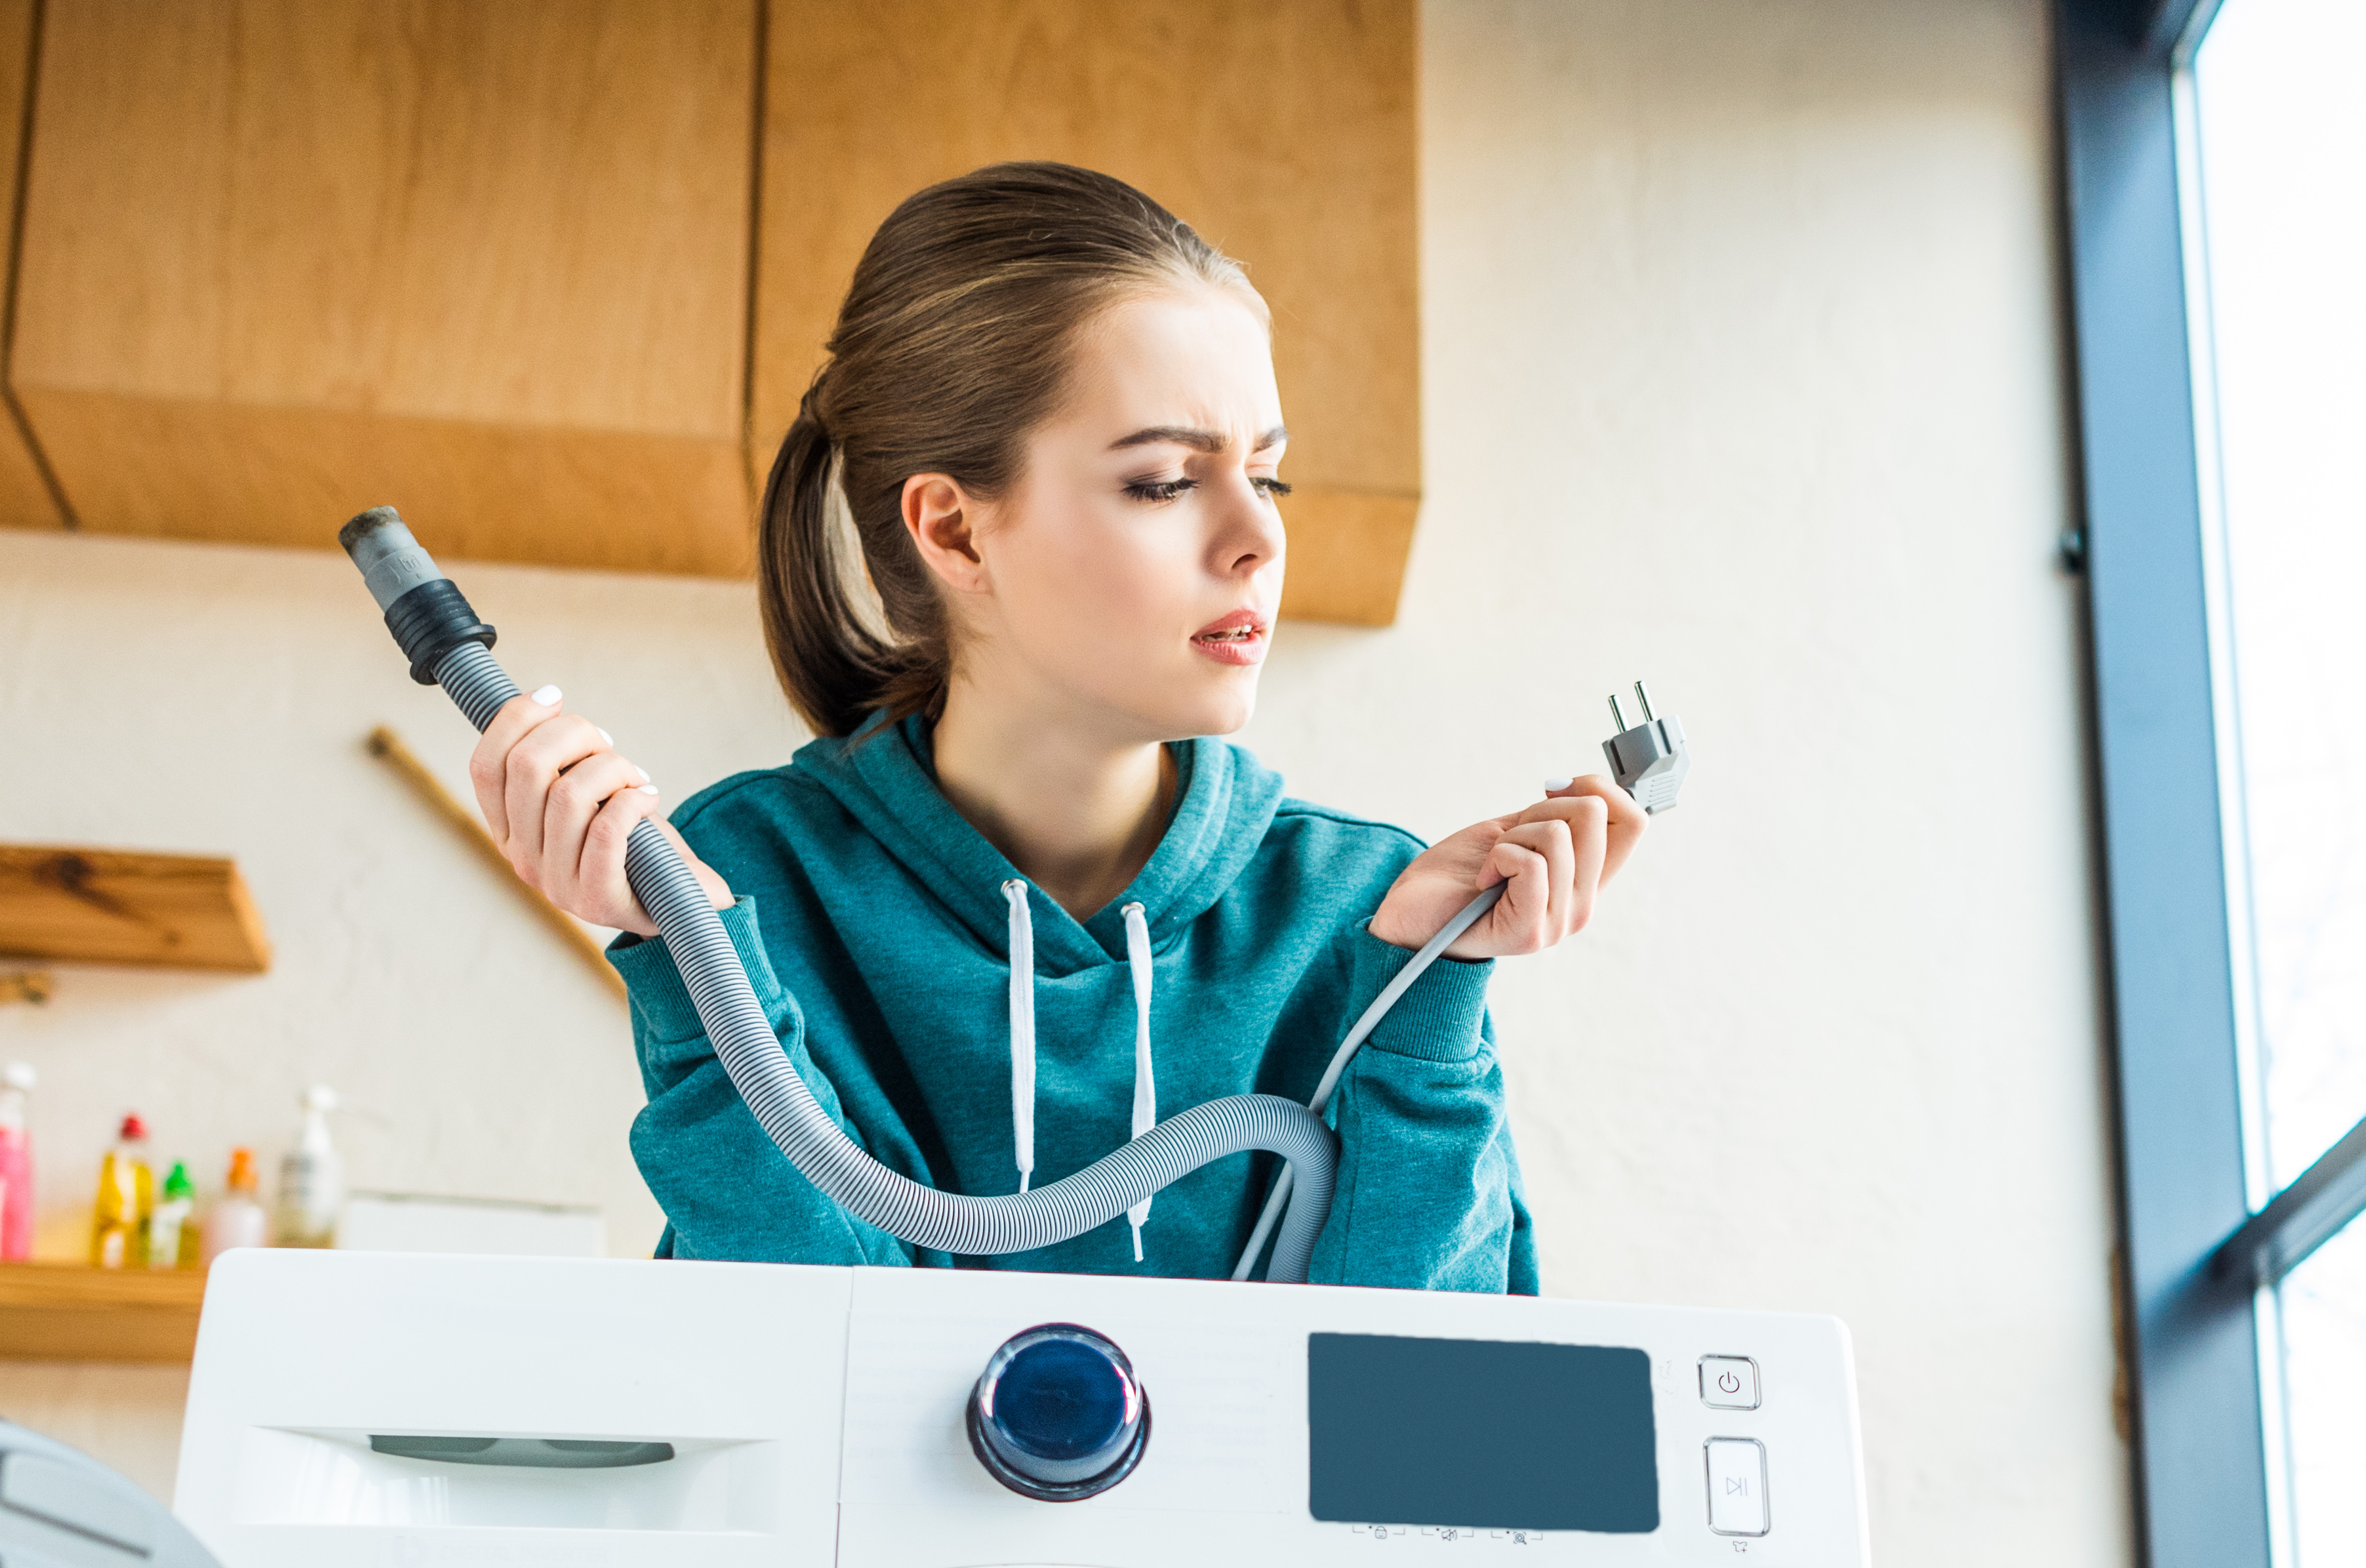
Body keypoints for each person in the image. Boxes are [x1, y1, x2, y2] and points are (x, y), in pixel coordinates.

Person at [468, 160, 1640, 1285]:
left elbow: (1422, 1431)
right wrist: (695, 964)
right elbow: (798, 1362)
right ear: (957, 531)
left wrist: (1428, 1004)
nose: (1260, 539)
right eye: (1166, 482)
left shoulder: (1367, 912)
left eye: (1267, 478)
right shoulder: (747, 886)